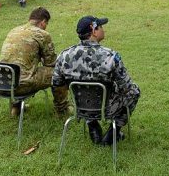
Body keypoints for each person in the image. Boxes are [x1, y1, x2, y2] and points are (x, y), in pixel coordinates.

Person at [52, 16, 140, 146]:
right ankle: (112, 134)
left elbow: (56, 83)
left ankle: (91, 124)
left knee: (89, 90)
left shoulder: (64, 56)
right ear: (93, 31)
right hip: (107, 109)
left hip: (80, 107)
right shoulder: (110, 56)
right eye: (101, 27)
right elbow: (126, 86)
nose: (103, 30)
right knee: (134, 91)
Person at [0, 7, 69, 117]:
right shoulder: (42, 34)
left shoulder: (14, 30)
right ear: (43, 22)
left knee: (19, 69)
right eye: (46, 23)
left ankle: (15, 107)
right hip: (22, 85)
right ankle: (62, 109)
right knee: (59, 72)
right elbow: (50, 63)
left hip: (2, 83)